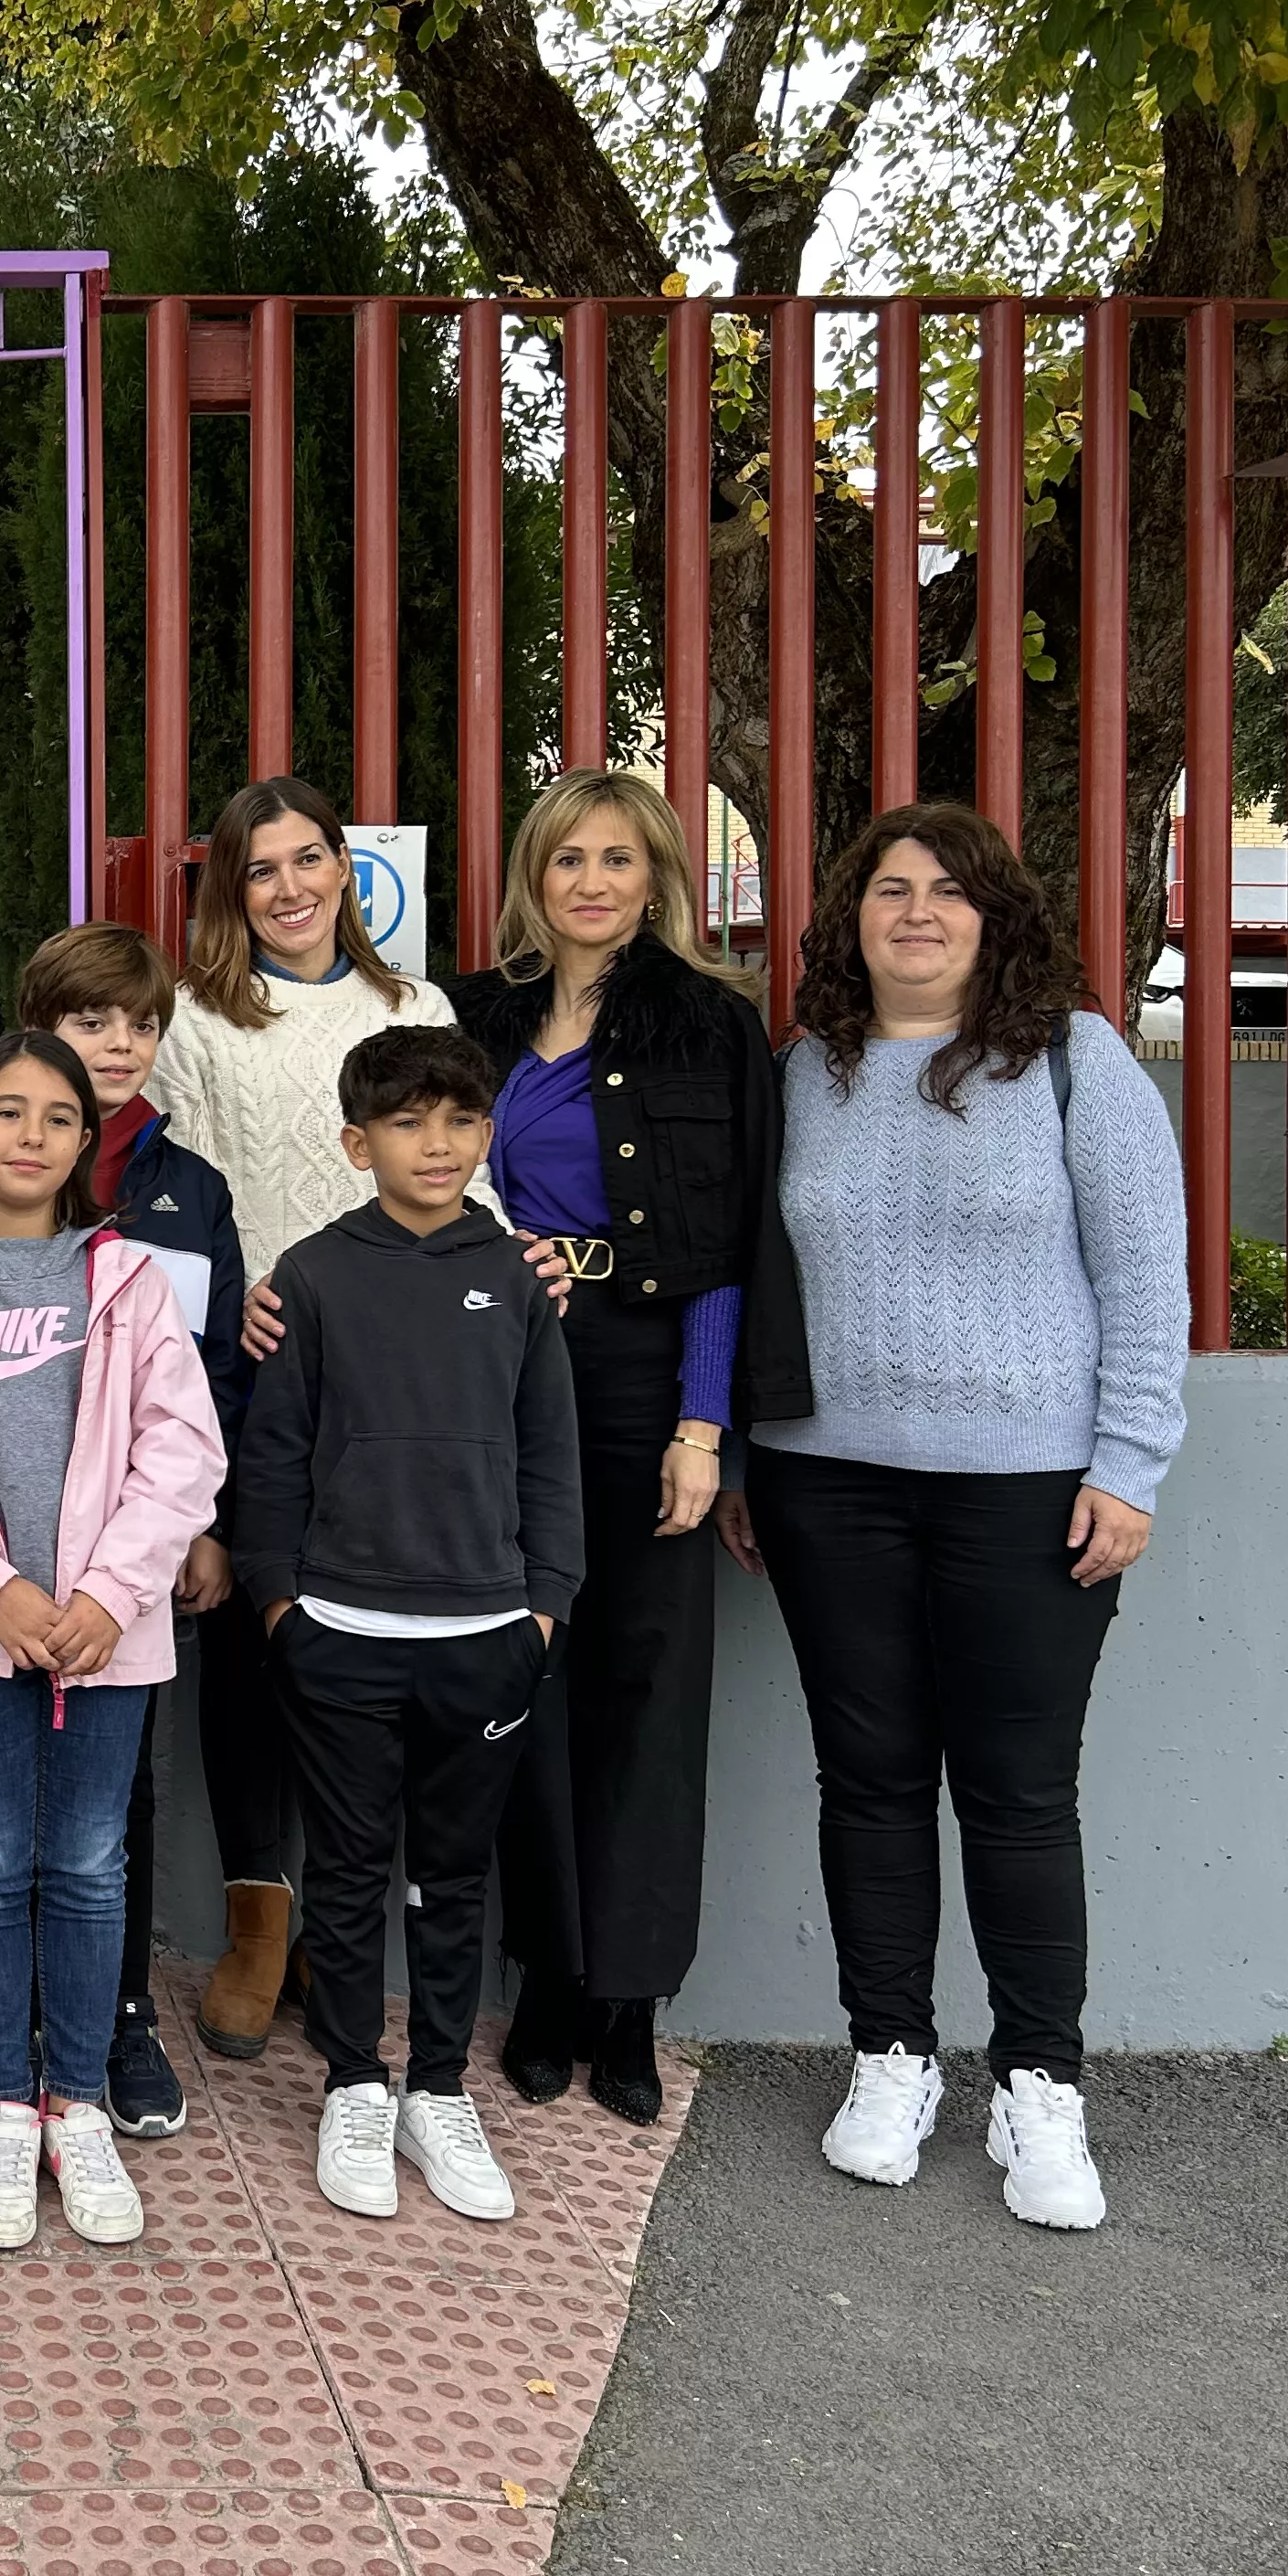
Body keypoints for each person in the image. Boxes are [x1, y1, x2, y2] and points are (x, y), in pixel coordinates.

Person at [723, 801, 1186, 2233]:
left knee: (1017, 1792)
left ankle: (1041, 2086)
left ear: (997, 917)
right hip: (825, 1480)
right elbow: (752, 1282)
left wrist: (1129, 1466)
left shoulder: (1072, 1064)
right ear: (850, 919)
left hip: (1027, 1489)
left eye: (947, 892)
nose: (915, 913)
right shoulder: (802, 1074)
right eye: (888, 891)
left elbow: (1147, 1280)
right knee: (866, 1777)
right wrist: (744, 1460)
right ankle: (890, 2054)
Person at [447, 769, 776, 2126]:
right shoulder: (470, 1017)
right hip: (502, 1381)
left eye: (619, 860)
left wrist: (703, 1429)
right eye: (567, 856)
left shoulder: (709, 1026)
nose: (592, 881)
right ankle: (555, 1983)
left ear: (659, 880)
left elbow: (726, 1247)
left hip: (646, 1385)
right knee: (527, 1678)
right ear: (534, 872)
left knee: (646, 1687)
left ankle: (633, 2001)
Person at [143, 776, 480, 2069]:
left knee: (364, 1642)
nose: (289, 888)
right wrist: (233, 1318)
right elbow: (180, 1200)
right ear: (230, 891)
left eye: (309, 860)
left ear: (347, 871)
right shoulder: (198, 1023)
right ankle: (255, 1920)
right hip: (262, 1372)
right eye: (260, 869)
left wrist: (514, 1274)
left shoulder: (416, 1008)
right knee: (249, 1649)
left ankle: (347, 1920)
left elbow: (467, 1180)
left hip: (394, 1373)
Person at [235, 1024, 581, 2230]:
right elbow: (272, 1456)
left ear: (486, 1133)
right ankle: (353, 2082)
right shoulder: (316, 1276)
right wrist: (282, 1603)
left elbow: (550, 1454)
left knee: (449, 1876)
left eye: (459, 1121)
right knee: (343, 1868)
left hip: (488, 1634)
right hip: (339, 1631)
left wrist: (545, 1606)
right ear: (356, 1140)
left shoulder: (521, 1277)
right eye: (407, 1123)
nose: (436, 1145)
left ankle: (438, 2085)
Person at [0, 1030, 226, 2252]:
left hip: (107, 1633)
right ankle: (2, 2104)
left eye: (57, 1117)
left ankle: (79, 2101)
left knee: (91, 1861)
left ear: (86, 1140)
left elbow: (182, 1447)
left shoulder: (128, 1278)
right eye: (8, 1112)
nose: (32, 1137)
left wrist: (108, 1593)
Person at [16, 924, 249, 2141]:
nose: (117, 1043)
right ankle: (20, 2025)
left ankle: (118, 2016)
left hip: (135, 1554)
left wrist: (204, 1529)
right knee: (9, 1808)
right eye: (91, 1018)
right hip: (9, 1556)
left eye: (139, 1022)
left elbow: (208, 1379)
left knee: (119, 1795)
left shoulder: (187, 1188)